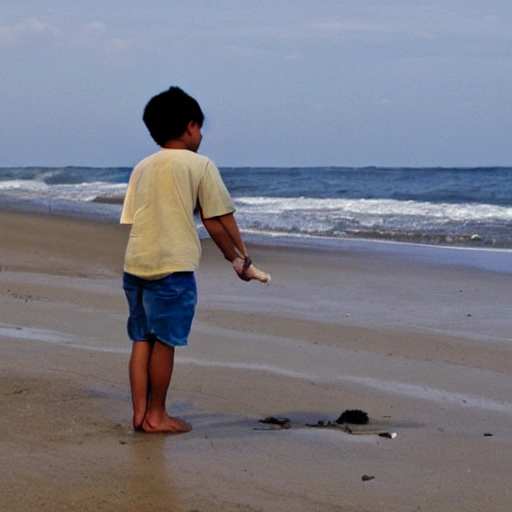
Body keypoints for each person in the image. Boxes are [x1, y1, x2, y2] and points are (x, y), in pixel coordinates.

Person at [120, 86, 269, 434]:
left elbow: (135, 216)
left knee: (142, 337)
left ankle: (139, 413)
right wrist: (241, 258)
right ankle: (157, 415)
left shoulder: (142, 167)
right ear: (190, 126)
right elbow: (217, 219)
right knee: (167, 339)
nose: (200, 136)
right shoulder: (200, 165)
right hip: (173, 267)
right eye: (199, 129)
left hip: (135, 264)